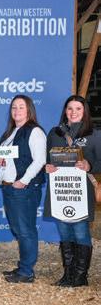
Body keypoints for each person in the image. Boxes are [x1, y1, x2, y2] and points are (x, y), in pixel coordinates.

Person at [45, 95, 99, 287]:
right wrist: (48, 167)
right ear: (65, 111)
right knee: (64, 232)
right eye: (70, 108)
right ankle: (68, 274)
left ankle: (80, 276)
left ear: (85, 111)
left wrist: (89, 165)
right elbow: (47, 159)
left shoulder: (94, 134)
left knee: (80, 232)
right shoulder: (55, 133)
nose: (73, 112)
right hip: (60, 191)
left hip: (81, 192)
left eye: (78, 108)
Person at [0, 95, 46, 284]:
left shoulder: (35, 131)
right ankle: (24, 266)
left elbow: (40, 160)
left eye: (21, 107)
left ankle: (26, 272)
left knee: (25, 230)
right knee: (18, 229)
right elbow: (4, 159)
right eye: (14, 107)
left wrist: (23, 181)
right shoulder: (9, 133)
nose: (16, 111)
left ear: (29, 110)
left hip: (24, 189)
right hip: (9, 188)